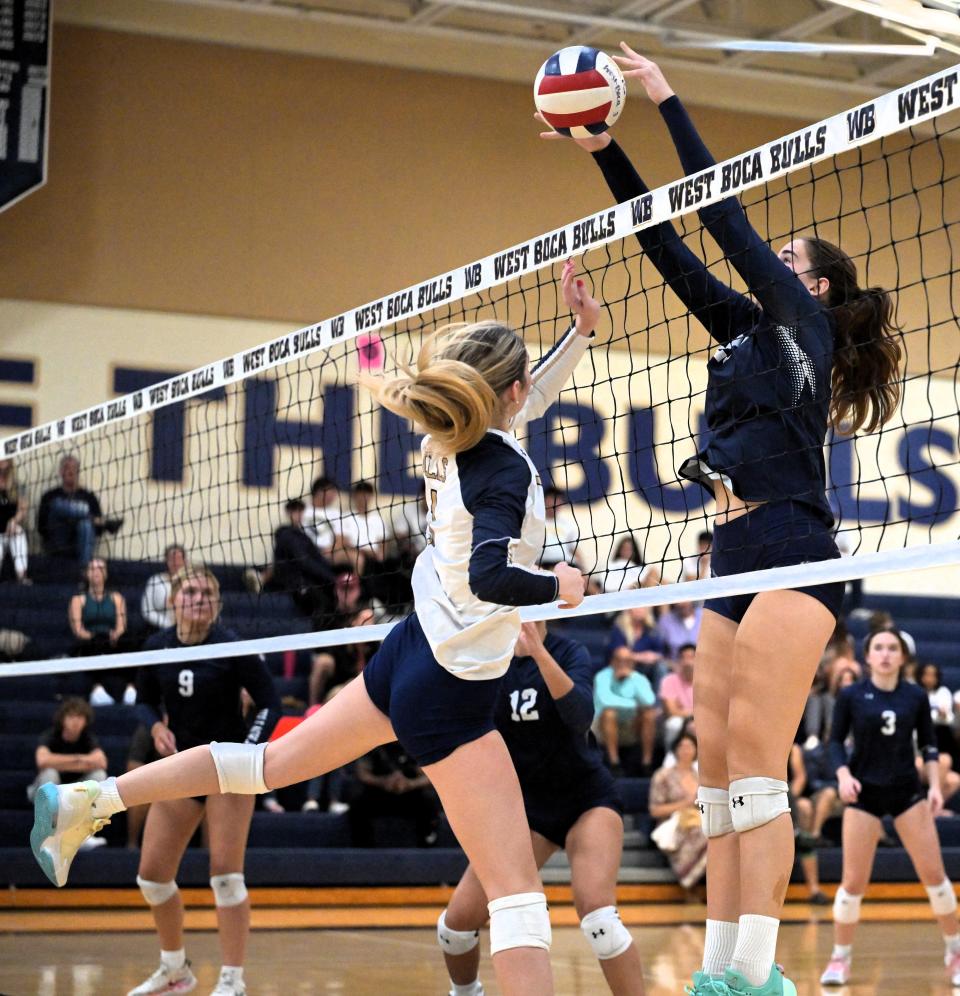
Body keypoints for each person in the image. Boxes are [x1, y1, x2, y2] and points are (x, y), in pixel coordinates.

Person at [30, 258, 596, 996]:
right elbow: (494, 575)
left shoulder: (450, 433)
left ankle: (90, 801)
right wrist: (562, 584)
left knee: (263, 767)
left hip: (408, 652)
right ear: (509, 394)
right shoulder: (502, 469)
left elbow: (520, 393)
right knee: (517, 897)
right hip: (452, 689)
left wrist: (579, 331)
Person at [542, 45, 902, 996]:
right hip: (729, 548)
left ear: (815, 285)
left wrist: (665, 101)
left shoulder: (805, 327)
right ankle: (717, 974)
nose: (773, 261)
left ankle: (755, 975)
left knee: (755, 765)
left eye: (791, 259)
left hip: (792, 542)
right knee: (711, 769)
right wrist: (602, 150)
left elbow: (718, 210)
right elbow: (666, 241)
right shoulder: (744, 330)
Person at [438, 621, 645, 996]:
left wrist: (538, 651)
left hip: (586, 799)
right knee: (455, 927)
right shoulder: (490, 664)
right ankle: (466, 992)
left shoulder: (569, 653)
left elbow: (580, 715)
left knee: (599, 917)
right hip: (529, 809)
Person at [125, 566, 281, 996]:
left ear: (218, 602)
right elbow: (142, 700)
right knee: (152, 877)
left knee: (226, 877)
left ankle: (232, 980)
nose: (199, 598)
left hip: (227, 769)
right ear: (173, 598)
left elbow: (269, 702)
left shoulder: (231, 646)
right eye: (191, 591)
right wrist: (155, 726)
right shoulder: (157, 647)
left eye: (208, 593)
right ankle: (175, 970)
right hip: (182, 768)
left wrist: (248, 750)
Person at [820, 628, 960, 987]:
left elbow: (929, 745)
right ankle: (840, 959)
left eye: (891, 648)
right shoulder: (851, 695)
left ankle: (955, 951)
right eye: (878, 648)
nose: (884, 654)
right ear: (867, 657)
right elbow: (834, 742)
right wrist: (842, 775)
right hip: (864, 794)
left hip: (906, 793)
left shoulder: (914, 696)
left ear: (902, 657)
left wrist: (933, 787)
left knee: (935, 878)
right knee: (853, 882)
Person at [28, 698, 109, 825]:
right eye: (71, 717)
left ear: (86, 720)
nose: (75, 721)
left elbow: (102, 762)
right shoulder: (51, 735)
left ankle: (83, 829)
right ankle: (51, 829)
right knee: (50, 773)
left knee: (99, 775)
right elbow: (42, 761)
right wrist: (80, 760)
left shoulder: (88, 738)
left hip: (72, 792)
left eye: (80, 717)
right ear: (63, 719)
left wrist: (59, 762)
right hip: (43, 791)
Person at [649, 731, 707, 900]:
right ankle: (690, 883)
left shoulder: (701, 777)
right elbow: (655, 810)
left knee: (716, 832)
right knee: (699, 833)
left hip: (699, 819)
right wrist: (684, 804)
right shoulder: (663, 776)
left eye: (690, 746)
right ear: (675, 750)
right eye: (682, 746)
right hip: (672, 824)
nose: (686, 750)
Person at [348, 741, 440, 847]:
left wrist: (410, 784)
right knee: (357, 805)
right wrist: (383, 781)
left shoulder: (414, 744)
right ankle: (362, 845)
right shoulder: (373, 746)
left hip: (410, 794)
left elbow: (429, 776)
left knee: (429, 804)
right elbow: (362, 773)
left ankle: (427, 842)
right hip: (378, 794)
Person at [69, 557, 133, 706]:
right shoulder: (78, 600)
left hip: (112, 641)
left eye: (100, 568)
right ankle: (96, 688)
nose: (96, 572)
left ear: (106, 573)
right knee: (95, 641)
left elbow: (122, 625)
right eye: (92, 569)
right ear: (87, 574)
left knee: (131, 639)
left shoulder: (117, 598)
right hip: (90, 641)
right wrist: (94, 637)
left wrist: (116, 635)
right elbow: (78, 629)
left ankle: (131, 688)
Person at [38, 454, 120, 564]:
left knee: (85, 524)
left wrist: (75, 520)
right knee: (57, 504)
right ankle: (97, 519)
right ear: (61, 471)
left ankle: (83, 571)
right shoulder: (50, 496)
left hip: (81, 544)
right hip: (58, 543)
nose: (70, 471)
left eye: (74, 468)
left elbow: (98, 532)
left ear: (78, 471)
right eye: (67, 467)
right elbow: (41, 527)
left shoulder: (88, 497)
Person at [270, 498, 337, 620]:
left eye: (300, 511)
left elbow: (313, 560)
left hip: (308, 580)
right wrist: (331, 579)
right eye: (294, 511)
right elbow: (304, 561)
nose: (298, 514)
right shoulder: (288, 535)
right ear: (288, 513)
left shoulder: (302, 535)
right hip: (298, 584)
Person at [593, 647, 657, 774]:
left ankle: (647, 763)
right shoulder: (602, 676)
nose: (623, 664)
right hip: (602, 725)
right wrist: (634, 704)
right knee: (609, 713)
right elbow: (605, 701)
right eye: (619, 660)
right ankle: (614, 763)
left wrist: (632, 678)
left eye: (627, 660)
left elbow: (649, 701)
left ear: (632, 663)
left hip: (631, 725)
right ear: (612, 661)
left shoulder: (638, 678)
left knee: (649, 714)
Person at [140, 544, 187, 638]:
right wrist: (168, 625)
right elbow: (147, 611)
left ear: (185, 561)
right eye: (172, 559)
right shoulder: (155, 581)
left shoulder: (193, 582)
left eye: (179, 558)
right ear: (166, 561)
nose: (176, 562)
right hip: (160, 630)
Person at [659, 643, 696, 748]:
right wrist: (692, 716)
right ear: (679, 661)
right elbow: (672, 711)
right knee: (674, 724)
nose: (687, 662)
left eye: (691, 657)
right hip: (681, 720)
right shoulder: (669, 680)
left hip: (701, 720)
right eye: (683, 657)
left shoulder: (708, 681)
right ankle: (671, 755)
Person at [0, 458, 29, 582]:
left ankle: (21, 576)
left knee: (19, 532)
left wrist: (14, 521)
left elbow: (23, 509)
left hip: (10, 529)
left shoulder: (17, 485)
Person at [539, 486, 580, 569]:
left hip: (566, 565)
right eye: (552, 499)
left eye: (559, 499)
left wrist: (583, 569)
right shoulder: (535, 522)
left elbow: (574, 550)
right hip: (542, 565)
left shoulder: (567, 524)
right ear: (544, 500)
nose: (556, 502)